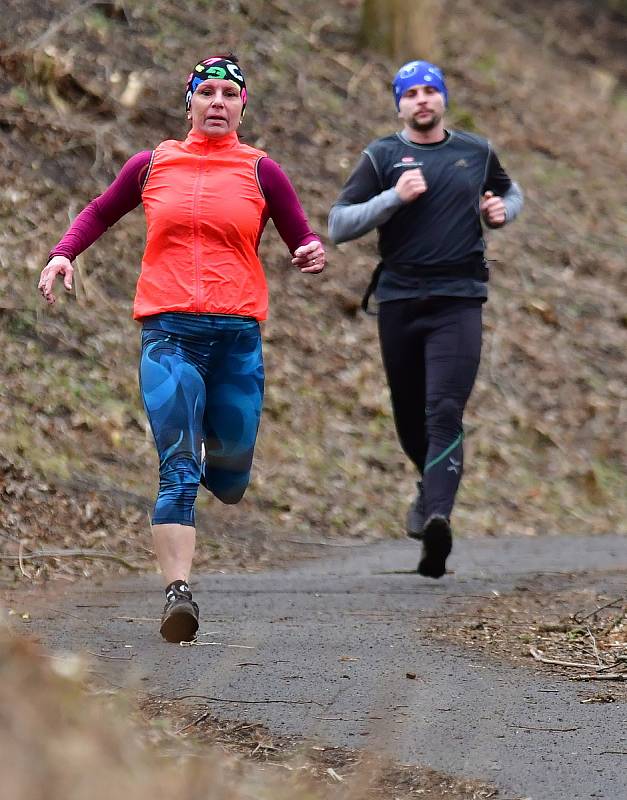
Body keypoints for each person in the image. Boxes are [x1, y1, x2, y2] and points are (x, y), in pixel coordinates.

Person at [38, 54, 325, 642]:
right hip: (169, 334)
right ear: (188, 102)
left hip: (236, 337)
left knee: (231, 468)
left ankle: (224, 471)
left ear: (243, 106)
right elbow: (99, 210)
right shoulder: (152, 166)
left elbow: (302, 236)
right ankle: (178, 593)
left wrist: (310, 251)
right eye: (207, 93)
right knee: (177, 469)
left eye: (228, 94)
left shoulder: (263, 172)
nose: (217, 102)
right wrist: (64, 252)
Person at [328, 59, 522, 579]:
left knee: (443, 411)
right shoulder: (383, 155)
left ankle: (437, 518)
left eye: (429, 91)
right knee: (409, 419)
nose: (421, 100)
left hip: (458, 300)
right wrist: (394, 196)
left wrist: (503, 212)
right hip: (399, 301)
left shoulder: (475, 151)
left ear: (443, 100)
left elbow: (509, 191)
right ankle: (428, 490)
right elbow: (338, 224)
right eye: (410, 93)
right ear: (399, 104)